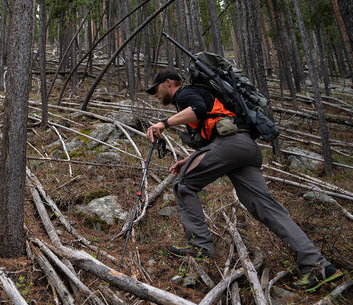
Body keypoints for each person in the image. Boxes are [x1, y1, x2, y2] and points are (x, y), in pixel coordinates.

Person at [145, 69, 342, 292]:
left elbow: (199, 111)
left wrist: (163, 123)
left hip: (231, 145)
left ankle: (200, 247)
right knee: (266, 207)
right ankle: (318, 265)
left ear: (169, 83)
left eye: (156, 89)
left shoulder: (185, 94)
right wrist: (189, 159)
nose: (154, 94)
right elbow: (212, 133)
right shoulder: (199, 97)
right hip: (245, 148)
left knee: (183, 184)